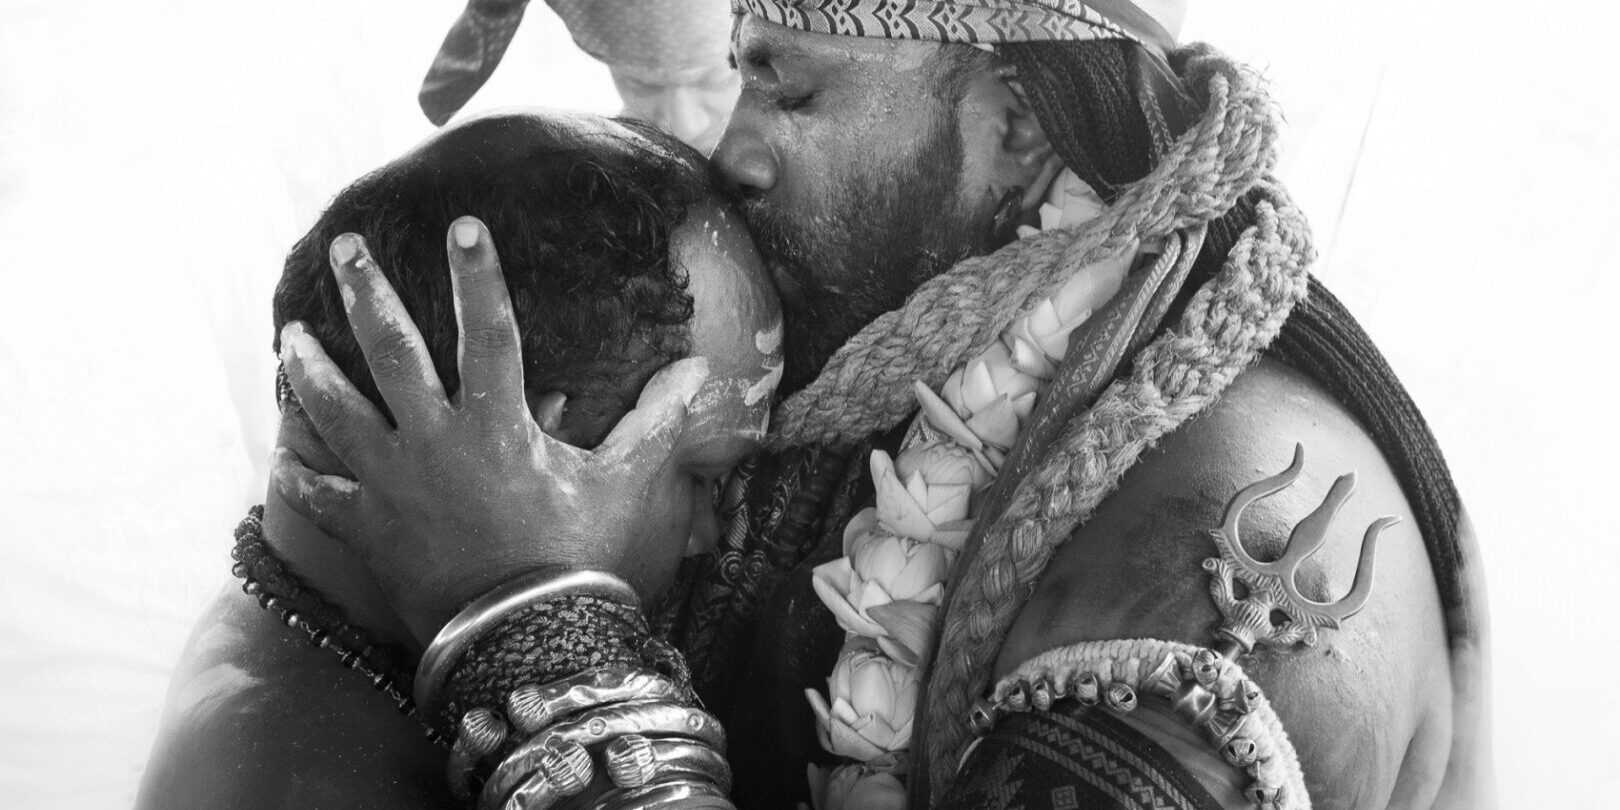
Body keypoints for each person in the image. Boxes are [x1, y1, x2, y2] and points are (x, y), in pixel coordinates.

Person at [271, 2, 1494, 808]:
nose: (731, 152)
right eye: (733, 76)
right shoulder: (912, 324)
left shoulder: (1204, 586)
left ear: (1013, 124)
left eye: (789, 95)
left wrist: (531, 622)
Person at [136, 109, 782, 808]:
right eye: (703, 478)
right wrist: (544, 618)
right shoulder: (309, 784)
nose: (711, 535)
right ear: (524, 451)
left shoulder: (311, 645)